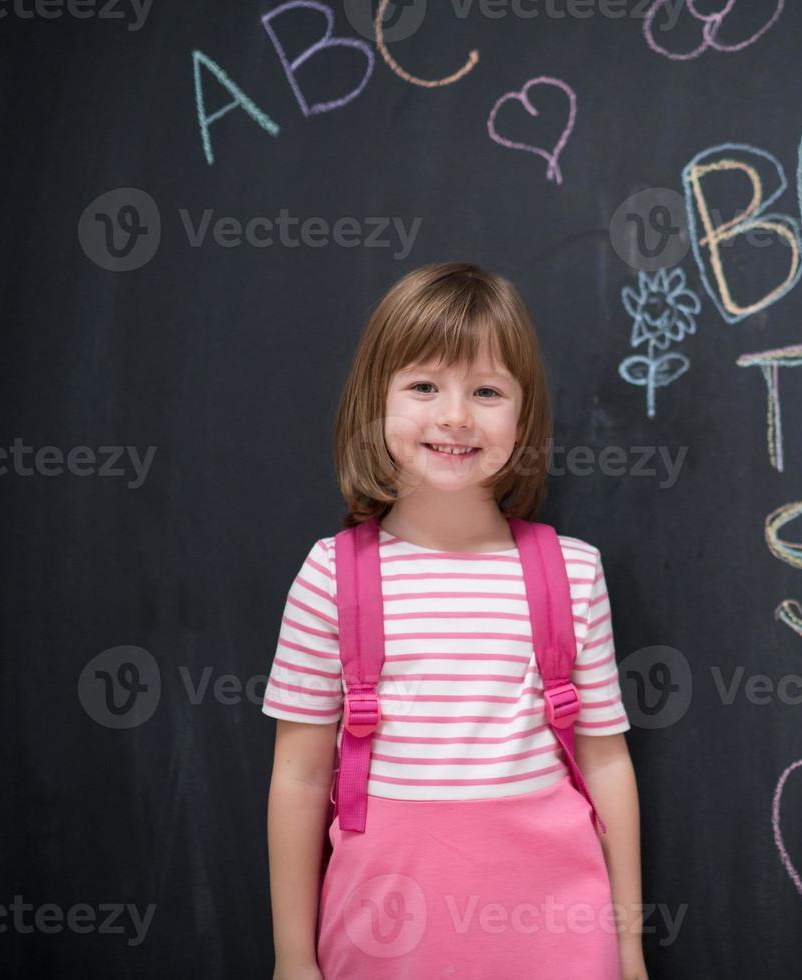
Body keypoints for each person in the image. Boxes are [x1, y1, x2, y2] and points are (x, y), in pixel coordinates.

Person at [263, 262, 648, 979]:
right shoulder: (331, 577)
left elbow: (605, 761)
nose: (455, 416)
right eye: (424, 386)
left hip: (557, 939)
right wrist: (293, 956)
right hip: (385, 938)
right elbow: (299, 774)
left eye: (487, 391)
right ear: (373, 401)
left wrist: (628, 949)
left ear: (524, 414)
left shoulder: (572, 572)